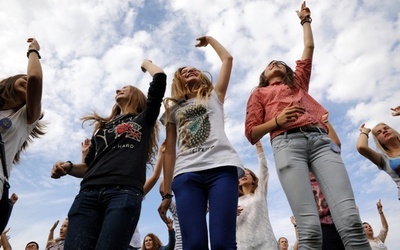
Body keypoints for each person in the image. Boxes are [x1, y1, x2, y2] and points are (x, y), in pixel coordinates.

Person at [244, 2, 370, 249]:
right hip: (286, 143)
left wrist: (305, 21)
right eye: (269, 64)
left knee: (351, 222)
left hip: (321, 142)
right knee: (310, 231)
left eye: (279, 62)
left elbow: (309, 47)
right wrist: (277, 121)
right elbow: (251, 132)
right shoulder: (259, 93)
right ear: (263, 75)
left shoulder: (298, 84)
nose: (274, 63)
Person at [51, 60, 166, 249]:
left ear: (136, 95)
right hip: (88, 194)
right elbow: (87, 167)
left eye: (124, 88)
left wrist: (147, 65)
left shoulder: (144, 118)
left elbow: (160, 78)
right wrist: (68, 167)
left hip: (123, 193)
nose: (117, 90)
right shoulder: (102, 129)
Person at [158, 36, 244, 249]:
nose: (188, 71)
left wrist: (210, 40)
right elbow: (169, 151)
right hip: (186, 174)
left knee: (222, 242)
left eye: (193, 68)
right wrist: (167, 192)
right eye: (182, 72)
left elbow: (227, 59)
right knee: (194, 243)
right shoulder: (172, 109)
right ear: (178, 82)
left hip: (221, 168)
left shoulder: (215, 96)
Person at [81, 139, 167, 250]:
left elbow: (154, 177)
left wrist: (161, 153)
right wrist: (85, 156)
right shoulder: (99, 192)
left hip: (128, 245)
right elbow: (89, 181)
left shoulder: (129, 193)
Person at [0, 38, 45, 229]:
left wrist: (33, 51)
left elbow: (35, 78)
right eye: (22, 78)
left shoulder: (25, 118)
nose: (27, 81)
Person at [236, 140, 278, 250]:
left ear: (254, 179)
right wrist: (231, 214)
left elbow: (263, 168)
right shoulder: (234, 201)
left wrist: (259, 146)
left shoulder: (260, 192)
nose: (244, 175)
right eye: (241, 174)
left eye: (247, 173)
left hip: (266, 242)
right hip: (242, 244)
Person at [357, 121, 400, 200]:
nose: (384, 131)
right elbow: (361, 147)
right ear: (379, 141)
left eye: (386, 128)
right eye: (379, 133)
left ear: (394, 131)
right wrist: (364, 132)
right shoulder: (384, 159)